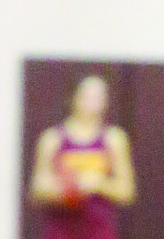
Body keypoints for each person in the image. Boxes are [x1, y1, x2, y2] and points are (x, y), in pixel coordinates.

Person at [30, 75, 136, 239]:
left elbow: (127, 192)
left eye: (99, 97)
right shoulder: (53, 139)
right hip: (61, 229)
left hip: (99, 230)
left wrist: (98, 183)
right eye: (88, 96)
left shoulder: (114, 139)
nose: (93, 102)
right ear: (74, 98)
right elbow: (37, 190)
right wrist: (67, 188)